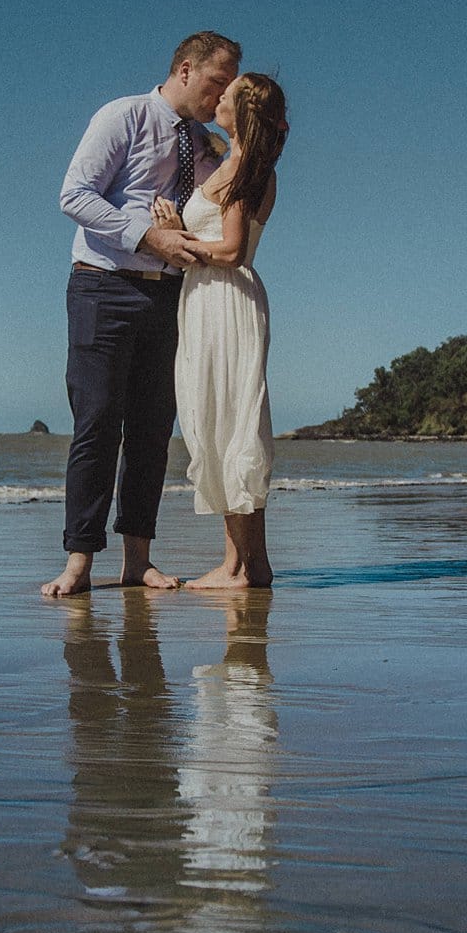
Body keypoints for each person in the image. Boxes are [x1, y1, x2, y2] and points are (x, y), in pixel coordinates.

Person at [43, 32, 241, 599]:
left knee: (153, 431)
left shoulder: (206, 144)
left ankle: (138, 561)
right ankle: (79, 561)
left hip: (171, 297)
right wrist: (148, 236)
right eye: (217, 82)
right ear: (185, 69)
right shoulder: (124, 116)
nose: (222, 95)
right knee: (97, 423)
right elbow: (74, 195)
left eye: (230, 87)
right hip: (102, 287)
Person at [147, 73, 286, 588]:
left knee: (229, 421)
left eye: (227, 93)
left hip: (225, 299)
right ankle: (248, 563)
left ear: (242, 110)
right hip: (208, 298)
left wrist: (176, 240)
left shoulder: (247, 170)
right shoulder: (233, 163)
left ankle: (239, 567)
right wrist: (178, 229)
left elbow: (232, 251)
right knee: (219, 419)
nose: (219, 96)